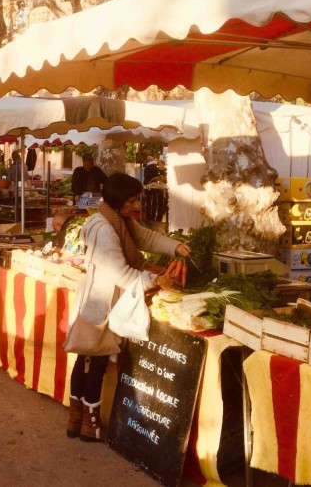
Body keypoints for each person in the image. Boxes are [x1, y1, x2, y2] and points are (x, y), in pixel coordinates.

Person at [65, 173, 190, 442]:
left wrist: (176, 247)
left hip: (103, 300)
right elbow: (122, 275)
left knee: (87, 359)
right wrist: (155, 280)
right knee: (93, 361)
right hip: (99, 304)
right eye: (132, 201)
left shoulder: (119, 221)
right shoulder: (104, 228)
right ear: (118, 200)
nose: (136, 205)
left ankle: (77, 421)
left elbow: (147, 238)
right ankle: (87, 424)